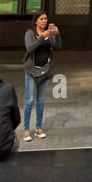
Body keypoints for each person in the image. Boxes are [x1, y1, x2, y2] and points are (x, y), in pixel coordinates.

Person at [21, 11, 61, 141]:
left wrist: (56, 34)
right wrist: (41, 38)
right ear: (36, 21)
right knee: (29, 100)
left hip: (45, 70)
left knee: (41, 100)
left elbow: (58, 46)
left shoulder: (49, 33)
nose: (44, 21)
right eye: (41, 19)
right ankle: (26, 130)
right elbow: (30, 48)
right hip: (32, 71)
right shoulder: (30, 33)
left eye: (46, 19)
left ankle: (38, 128)